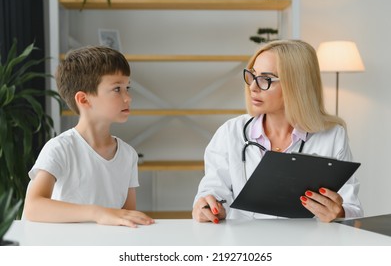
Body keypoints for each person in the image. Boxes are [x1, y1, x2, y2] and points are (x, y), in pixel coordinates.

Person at [192, 39, 363, 224]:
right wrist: (207, 207)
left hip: (306, 245)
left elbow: (353, 208)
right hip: (246, 247)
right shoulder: (231, 132)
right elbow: (212, 190)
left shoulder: (332, 136)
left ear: (297, 85)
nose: (253, 87)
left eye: (266, 79)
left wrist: (339, 213)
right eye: (252, 75)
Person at [23, 46, 154, 228]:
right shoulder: (60, 148)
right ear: (84, 100)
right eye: (117, 89)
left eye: (127, 88)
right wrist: (97, 213)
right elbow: (33, 207)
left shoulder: (128, 154)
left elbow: (126, 217)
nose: (128, 97)